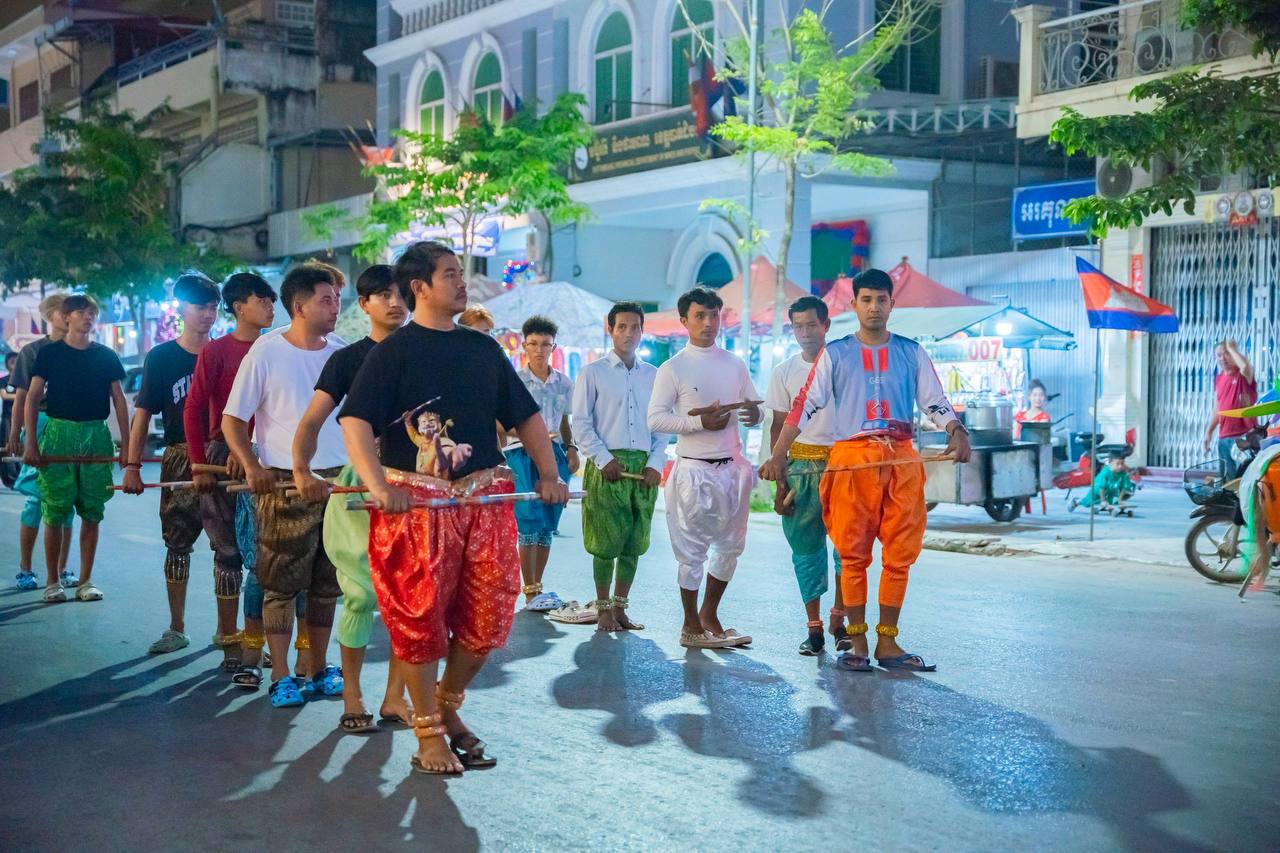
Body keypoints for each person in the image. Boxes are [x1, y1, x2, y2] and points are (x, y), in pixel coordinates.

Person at [338, 240, 569, 775]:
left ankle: (445, 705)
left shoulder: (483, 349)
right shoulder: (392, 352)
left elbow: (526, 416)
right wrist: (377, 484)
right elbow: (355, 421)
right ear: (419, 287)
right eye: (450, 274)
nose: (463, 283)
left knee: (488, 617)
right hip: (416, 507)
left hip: (484, 501)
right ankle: (428, 733)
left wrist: (550, 474)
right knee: (418, 618)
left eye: (461, 273)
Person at [761, 268, 971, 672]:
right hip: (851, 460)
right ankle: (857, 643)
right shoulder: (836, 353)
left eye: (881, 300)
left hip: (901, 458)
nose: (874, 307)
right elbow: (804, 406)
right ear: (854, 304)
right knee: (853, 554)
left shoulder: (912, 352)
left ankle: (887, 643)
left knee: (900, 554)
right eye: (867, 300)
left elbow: (935, 400)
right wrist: (778, 456)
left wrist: (956, 430)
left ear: (892, 304)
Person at [292, 264, 412, 732]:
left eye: (401, 293)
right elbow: (310, 422)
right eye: (383, 295)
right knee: (360, 596)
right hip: (359, 489)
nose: (395, 303)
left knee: (410, 600)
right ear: (363, 304)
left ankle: (395, 698)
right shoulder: (346, 360)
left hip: (416, 487)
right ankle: (352, 695)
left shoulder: (427, 352)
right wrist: (301, 470)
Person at [222, 263, 346, 708]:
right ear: (299, 306)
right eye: (326, 300)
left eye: (337, 299)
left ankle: (319, 667)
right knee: (279, 584)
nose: (336, 307)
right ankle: (279, 675)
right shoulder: (266, 351)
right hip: (282, 484)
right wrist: (251, 465)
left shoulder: (342, 352)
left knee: (327, 584)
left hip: (337, 484)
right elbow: (233, 420)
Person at [647, 287, 762, 650]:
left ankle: (710, 615)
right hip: (693, 470)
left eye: (714, 315)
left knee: (730, 548)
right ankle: (690, 624)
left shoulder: (734, 364)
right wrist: (698, 424)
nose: (709, 322)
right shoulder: (673, 368)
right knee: (692, 552)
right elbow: (655, 419)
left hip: (733, 468)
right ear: (684, 320)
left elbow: (753, 407)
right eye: (700, 316)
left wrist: (754, 413)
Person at [185, 272, 281, 682]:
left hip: (271, 457)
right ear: (239, 307)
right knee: (228, 554)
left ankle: (263, 643)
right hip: (223, 459)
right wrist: (198, 463)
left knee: (269, 556)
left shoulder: (279, 347)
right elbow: (193, 408)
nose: (270, 308)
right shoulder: (217, 351)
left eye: (272, 301)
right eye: (262, 300)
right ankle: (229, 638)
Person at [122, 274, 220, 656]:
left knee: (230, 549)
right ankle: (176, 628)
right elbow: (143, 413)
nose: (208, 314)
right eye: (200, 307)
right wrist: (132, 465)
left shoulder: (225, 352)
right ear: (182, 308)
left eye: (213, 307)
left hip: (222, 456)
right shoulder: (162, 357)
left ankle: (230, 633)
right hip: (179, 456)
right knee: (177, 543)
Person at [23, 295, 129, 603]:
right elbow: (32, 397)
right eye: (81, 312)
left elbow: (119, 399)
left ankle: (85, 580)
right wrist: (31, 442)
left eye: (92, 312)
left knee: (92, 511)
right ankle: (52, 581)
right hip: (59, 434)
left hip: (96, 434)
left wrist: (127, 445)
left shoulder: (106, 355)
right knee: (55, 509)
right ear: (66, 316)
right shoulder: (49, 354)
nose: (88, 316)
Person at [571, 301, 667, 632]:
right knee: (604, 542)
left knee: (634, 542)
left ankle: (621, 609)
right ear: (610, 329)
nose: (629, 333)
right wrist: (603, 459)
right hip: (607, 467)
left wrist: (656, 463)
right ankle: (602, 611)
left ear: (642, 331)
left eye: (635, 327)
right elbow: (581, 423)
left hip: (643, 470)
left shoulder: (654, 376)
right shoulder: (592, 373)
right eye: (622, 326)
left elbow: (661, 427)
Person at [765, 296, 848, 656]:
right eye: (798, 326)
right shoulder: (783, 372)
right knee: (805, 549)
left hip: (845, 465)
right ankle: (813, 627)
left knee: (848, 548)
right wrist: (780, 481)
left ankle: (841, 620)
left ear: (826, 325)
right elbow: (778, 426)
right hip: (800, 468)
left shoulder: (845, 366)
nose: (805, 332)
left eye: (811, 324)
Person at [506, 315, 579, 612]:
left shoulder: (564, 383)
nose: (539, 350)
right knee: (528, 518)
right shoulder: (514, 381)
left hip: (555, 454)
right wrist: (530, 435)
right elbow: (502, 423)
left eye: (545, 344)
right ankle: (530, 591)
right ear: (524, 345)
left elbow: (564, 421)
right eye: (533, 344)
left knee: (548, 521)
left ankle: (539, 586)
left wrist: (571, 447)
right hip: (521, 453)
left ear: (554, 347)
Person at [8, 294, 75, 591]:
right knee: (36, 500)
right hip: (41, 423)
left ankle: (61, 568)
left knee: (67, 501)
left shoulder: (80, 349)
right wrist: (16, 433)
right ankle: (25, 569)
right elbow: (22, 397)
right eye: (64, 312)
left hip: (73, 426)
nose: (69, 317)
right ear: (50, 316)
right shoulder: (33, 351)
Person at [1203, 340, 1256, 477]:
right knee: (1228, 481)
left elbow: (1245, 366)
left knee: (1244, 478)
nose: (1223, 358)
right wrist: (1209, 432)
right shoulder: (1219, 379)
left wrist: (1232, 349)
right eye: (1219, 355)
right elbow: (1218, 408)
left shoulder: (1242, 375)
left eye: (1226, 354)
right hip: (1224, 437)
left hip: (1243, 437)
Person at [1072, 453, 1136, 512]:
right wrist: (1103, 501)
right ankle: (1077, 501)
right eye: (1118, 464)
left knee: (1114, 499)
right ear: (1110, 464)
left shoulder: (1123, 473)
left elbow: (1124, 487)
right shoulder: (1105, 473)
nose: (1120, 466)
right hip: (1097, 489)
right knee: (1088, 502)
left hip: (1111, 489)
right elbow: (1102, 488)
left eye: (1122, 463)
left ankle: (1107, 504)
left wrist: (1120, 500)